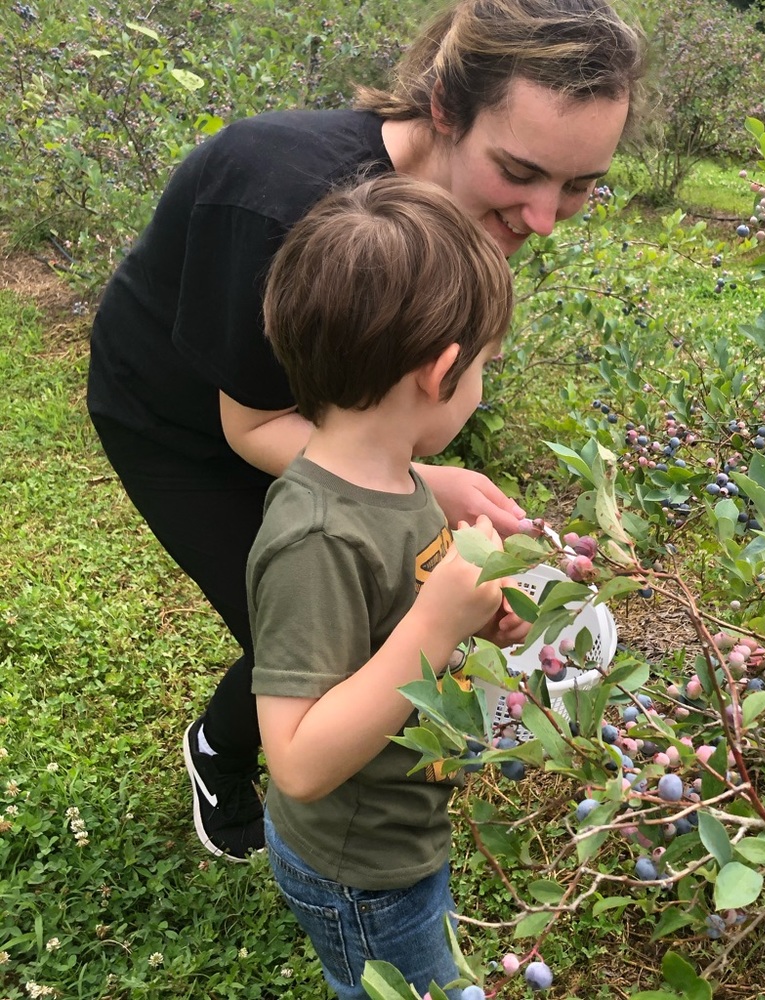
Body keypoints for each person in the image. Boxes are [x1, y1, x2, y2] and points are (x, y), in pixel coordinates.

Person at [86, 0, 645, 861]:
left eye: (578, 187)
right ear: (444, 110)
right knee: (311, 633)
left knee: (383, 601)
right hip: (187, 416)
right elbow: (253, 421)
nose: (542, 218)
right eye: (521, 172)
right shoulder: (277, 199)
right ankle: (221, 751)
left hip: (317, 408)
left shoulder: (460, 210)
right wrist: (421, 484)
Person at [250, 173, 530, 999]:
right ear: (441, 373)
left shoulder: (397, 477)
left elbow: (397, 613)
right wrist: (437, 622)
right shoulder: (315, 536)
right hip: (362, 874)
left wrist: (474, 617)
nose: (483, 382)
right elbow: (297, 762)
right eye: (486, 366)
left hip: (401, 839)